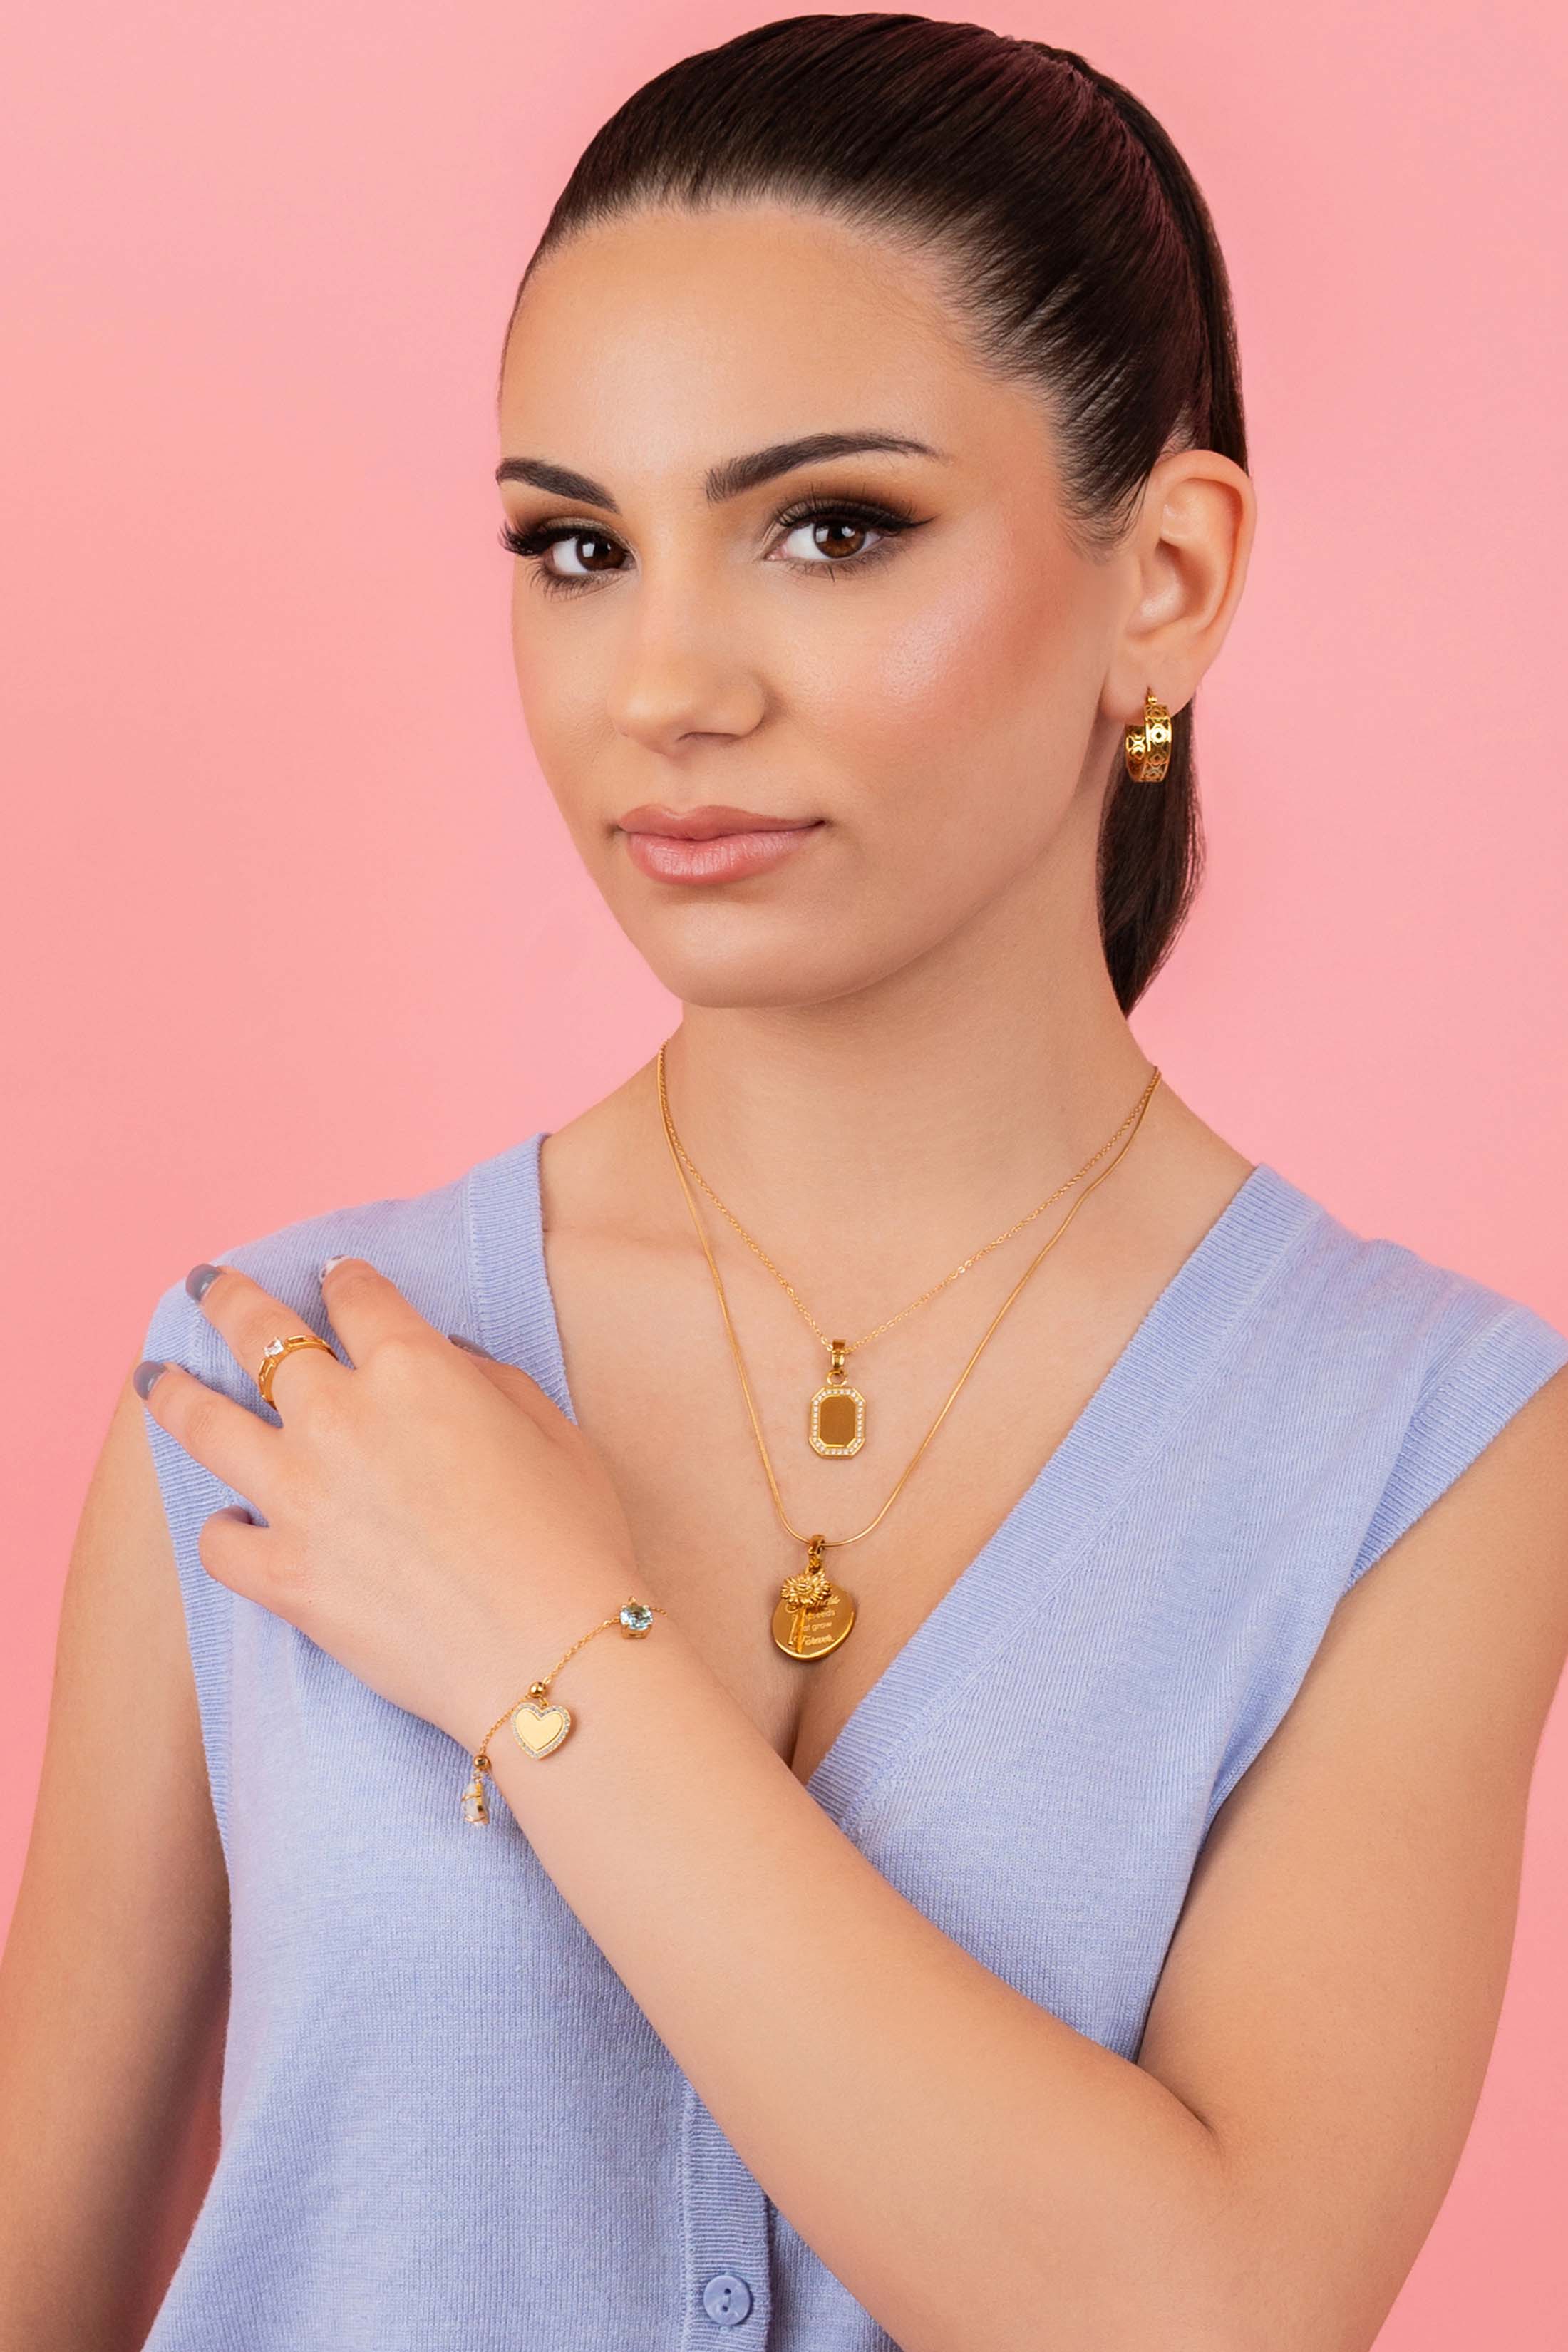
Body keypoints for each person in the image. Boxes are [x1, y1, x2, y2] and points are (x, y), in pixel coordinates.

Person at [4, 15, 1566, 2350]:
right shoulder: (274, 1388)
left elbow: (1208, 2315)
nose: (665, 683)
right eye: (577, 547)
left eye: (831, 528)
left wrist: (547, 1650)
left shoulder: (1417, 1442)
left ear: (1167, 575)